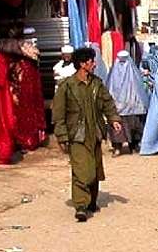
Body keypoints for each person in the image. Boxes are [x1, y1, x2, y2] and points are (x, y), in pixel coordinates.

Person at [52, 47, 123, 222]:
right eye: (91, 61)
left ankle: (91, 201)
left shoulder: (97, 84)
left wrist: (114, 119)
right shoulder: (67, 86)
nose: (94, 64)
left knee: (95, 169)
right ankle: (81, 205)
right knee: (82, 170)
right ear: (83, 64)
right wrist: (61, 136)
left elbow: (108, 103)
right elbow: (59, 114)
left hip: (95, 132)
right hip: (77, 134)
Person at [106, 50, 150, 155]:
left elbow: (138, 88)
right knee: (117, 125)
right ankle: (117, 147)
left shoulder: (133, 72)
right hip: (118, 104)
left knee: (134, 125)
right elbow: (111, 87)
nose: (122, 64)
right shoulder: (114, 72)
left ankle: (134, 145)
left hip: (132, 106)